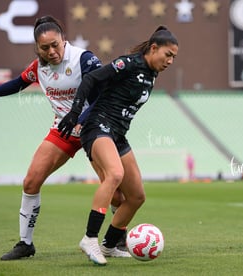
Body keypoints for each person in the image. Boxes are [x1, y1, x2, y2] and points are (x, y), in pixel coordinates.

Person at [0, 15, 125, 260]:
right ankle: (25, 244)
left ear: (64, 40)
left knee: (116, 192)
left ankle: (117, 241)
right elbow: (16, 84)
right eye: (45, 48)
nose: (51, 52)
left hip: (94, 129)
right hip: (62, 132)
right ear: (37, 48)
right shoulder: (38, 67)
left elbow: (103, 95)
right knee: (31, 181)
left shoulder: (84, 59)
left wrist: (80, 120)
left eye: (55, 45)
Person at [58, 26, 179, 265]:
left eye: (174, 57)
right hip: (97, 126)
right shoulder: (129, 64)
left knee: (136, 196)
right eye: (168, 54)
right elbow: (92, 79)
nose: (171, 61)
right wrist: (74, 114)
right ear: (153, 48)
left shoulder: (152, 73)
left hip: (118, 135)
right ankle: (90, 238)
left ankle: (110, 245)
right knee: (115, 174)